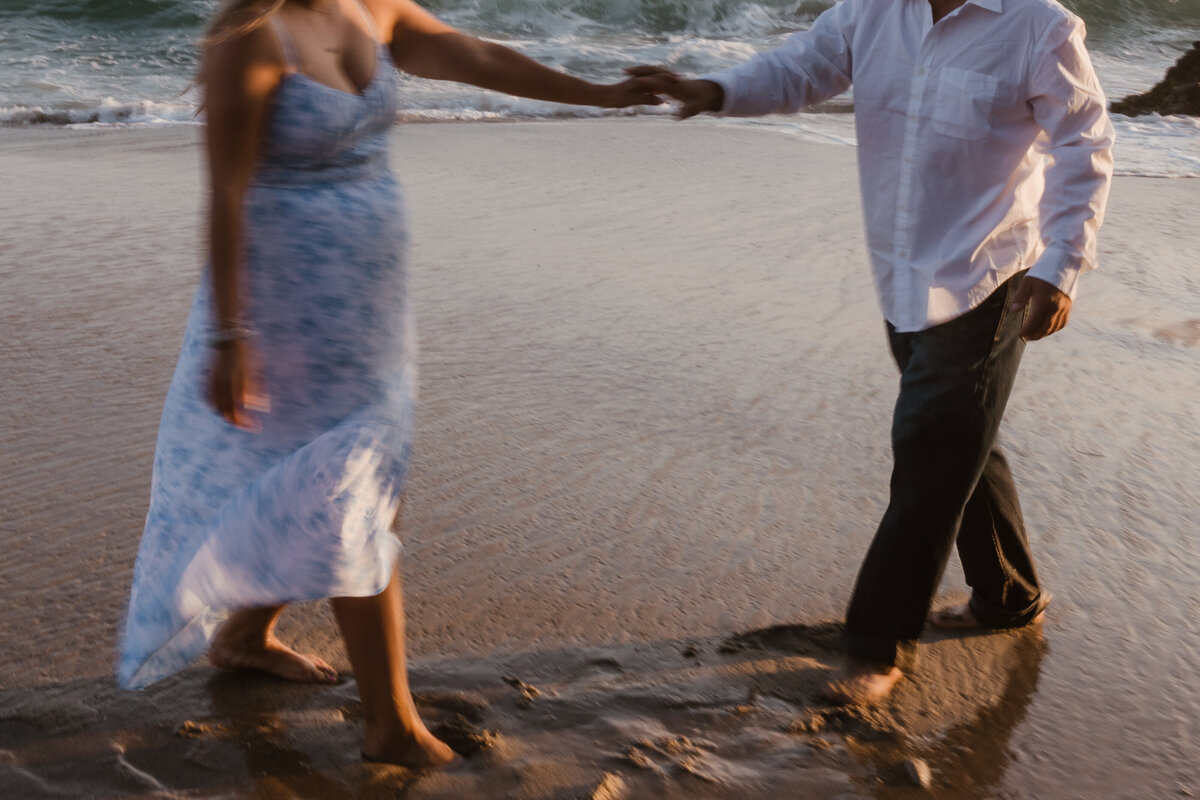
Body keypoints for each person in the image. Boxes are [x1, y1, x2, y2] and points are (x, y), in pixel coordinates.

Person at [116, 0, 660, 767]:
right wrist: (229, 336)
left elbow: (481, 58)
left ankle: (243, 636)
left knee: (339, 479)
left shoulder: (376, 9)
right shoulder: (250, 41)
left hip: (368, 311)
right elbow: (226, 195)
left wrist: (602, 92)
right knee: (350, 491)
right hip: (286, 305)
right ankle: (392, 725)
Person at [631, 0, 1114, 704]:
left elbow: (1085, 145)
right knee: (959, 441)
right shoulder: (871, 10)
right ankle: (1008, 596)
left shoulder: (1040, 25)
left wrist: (1062, 265)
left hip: (990, 277)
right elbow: (801, 68)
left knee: (928, 445)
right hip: (901, 271)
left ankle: (877, 643)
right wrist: (715, 90)